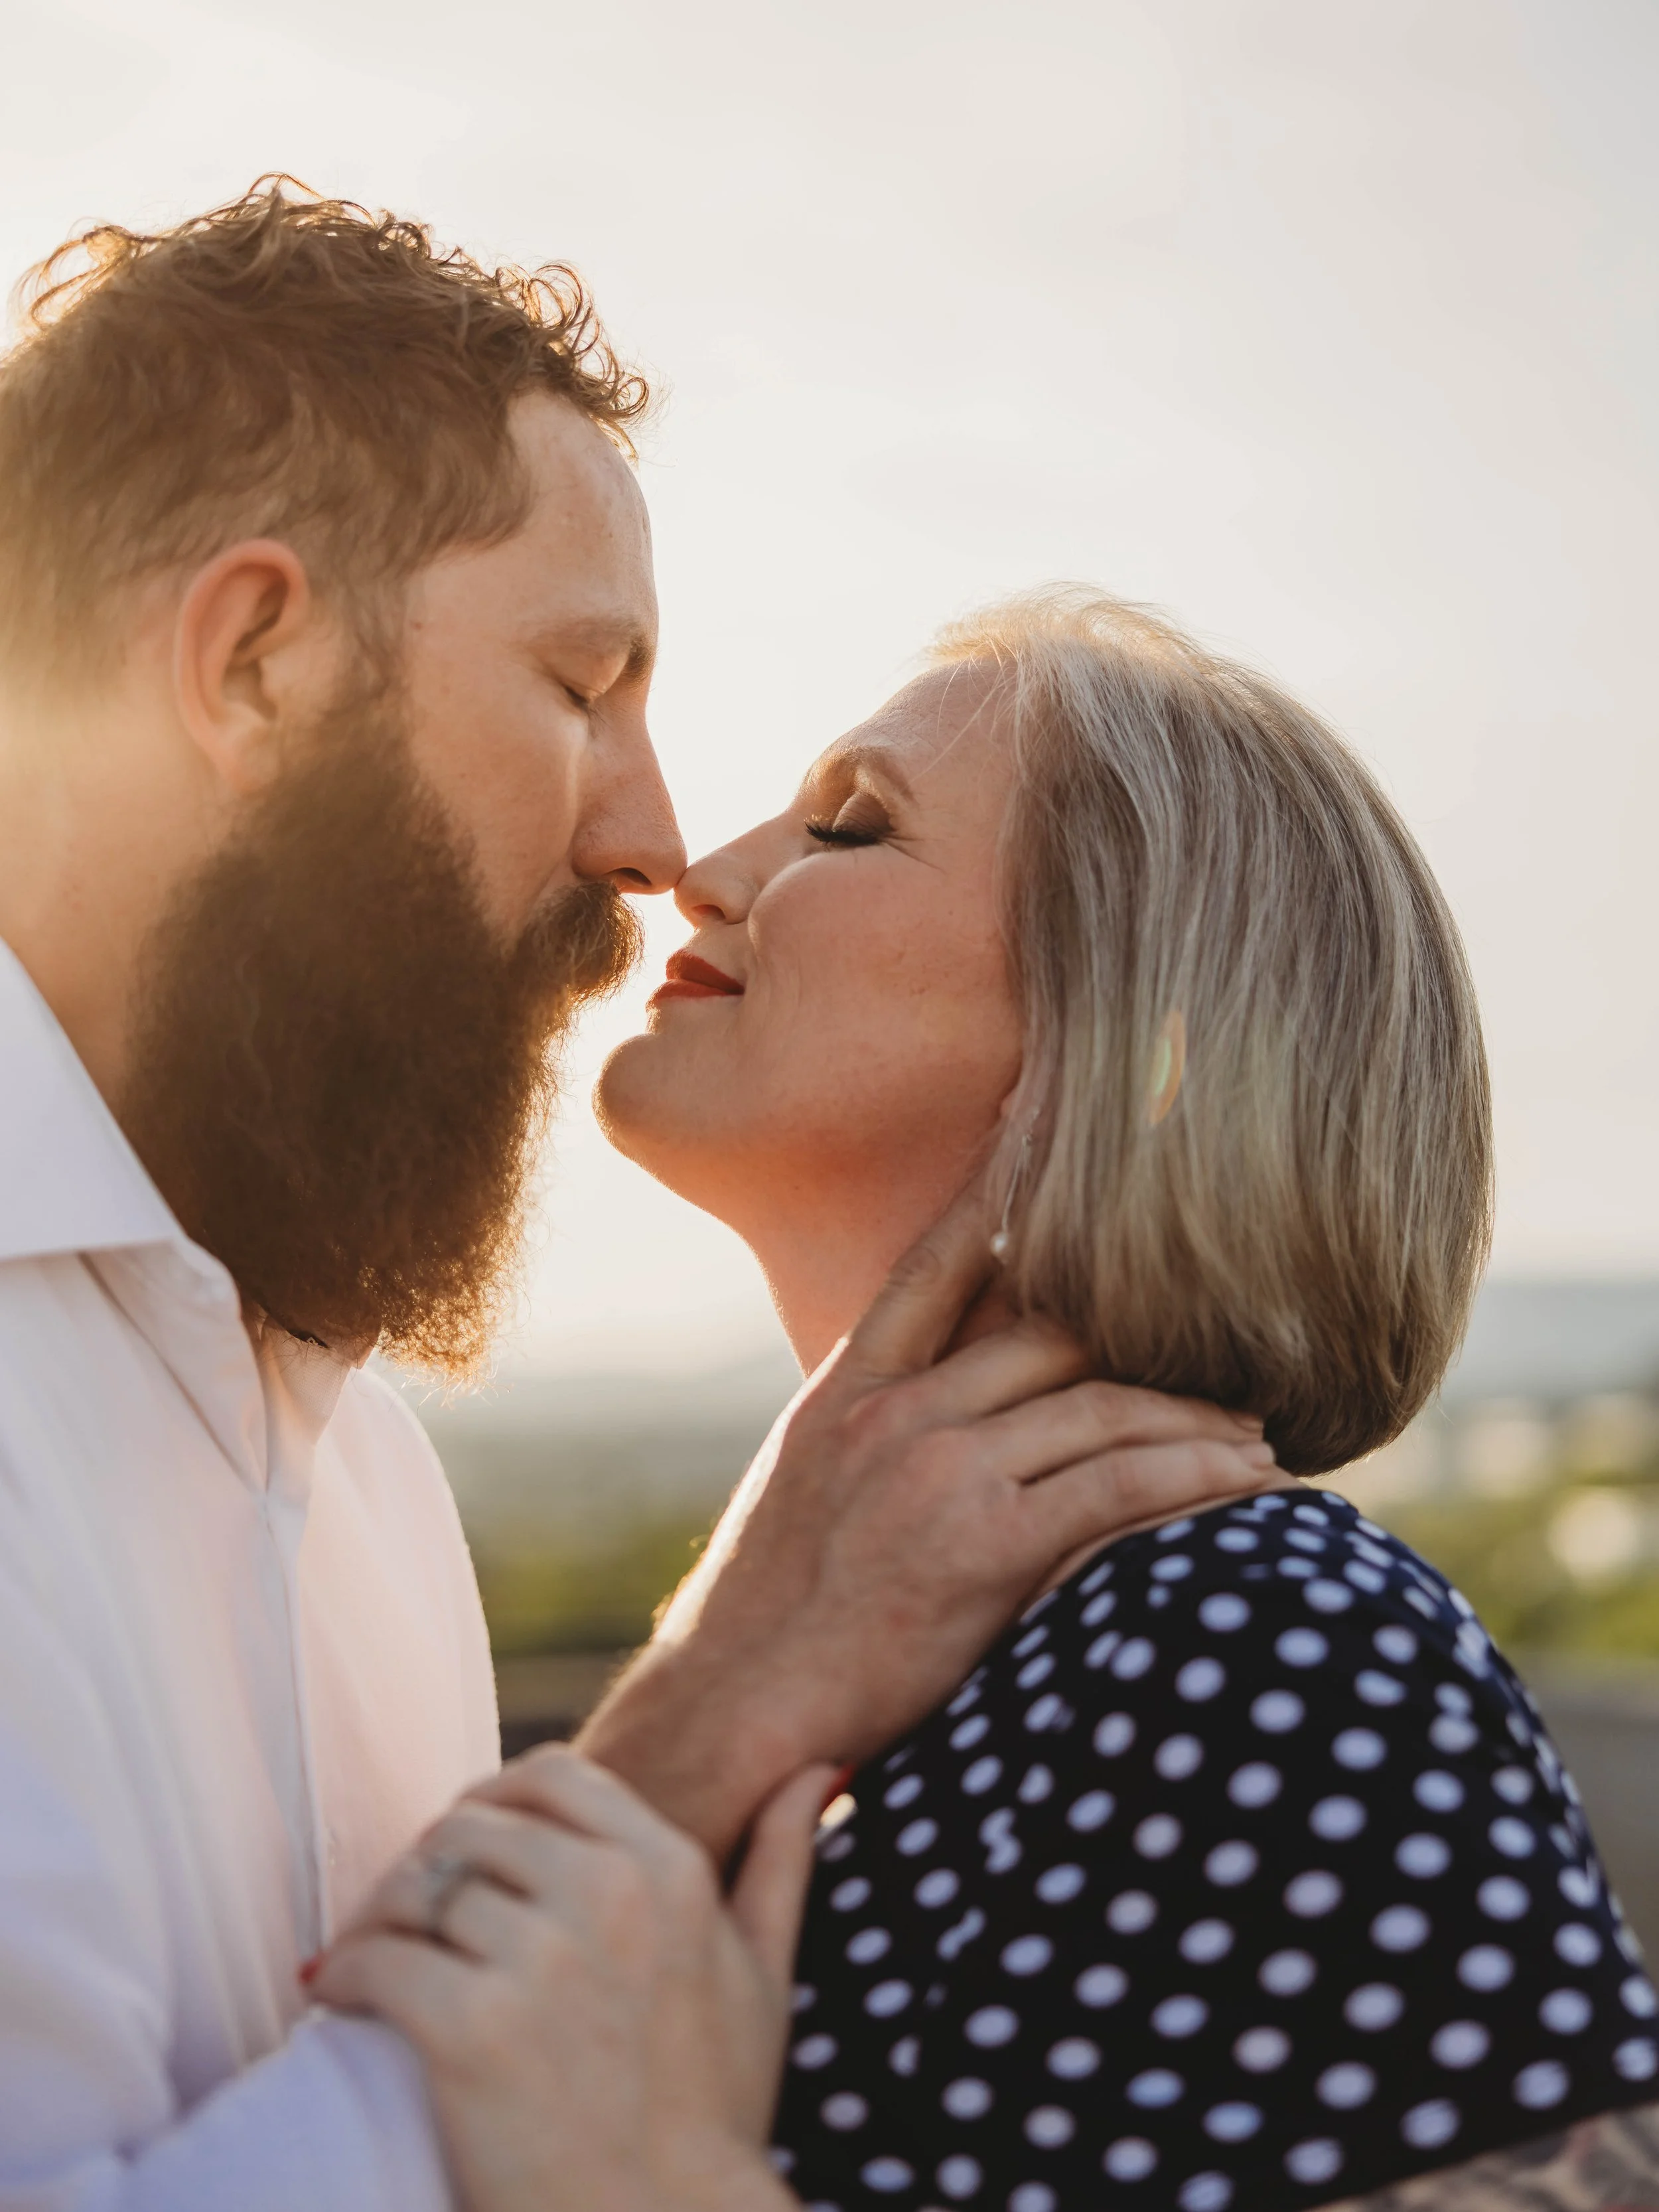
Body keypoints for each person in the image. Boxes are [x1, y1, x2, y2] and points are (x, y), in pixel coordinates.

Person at [0, 181, 1275, 2209]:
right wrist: (683, 1741)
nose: (656, 835)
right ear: (252, 660)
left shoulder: (366, 1489)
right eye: (582, 683)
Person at [324, 593, 1659, 2210]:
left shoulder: (1263, 1635)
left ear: (1121, 1032)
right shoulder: (938, 1653)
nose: (705, 869)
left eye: (850, 824)